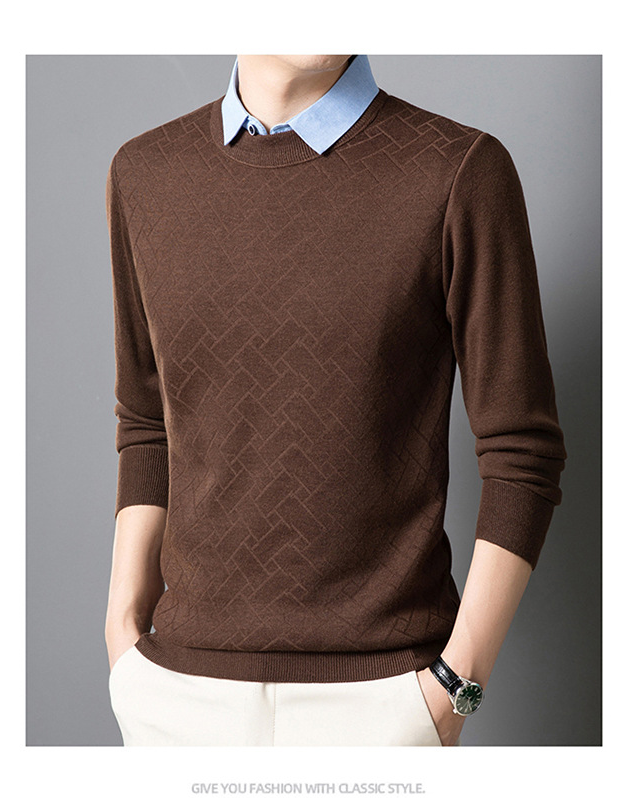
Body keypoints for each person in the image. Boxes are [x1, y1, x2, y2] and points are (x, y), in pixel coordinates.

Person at [104, 54, 567, 747]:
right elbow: (148, 420)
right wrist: (123, 632)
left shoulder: (458, 169)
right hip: (176, 697)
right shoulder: (145, 173)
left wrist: (455, 686)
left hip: (383, 701)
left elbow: (523, 450)